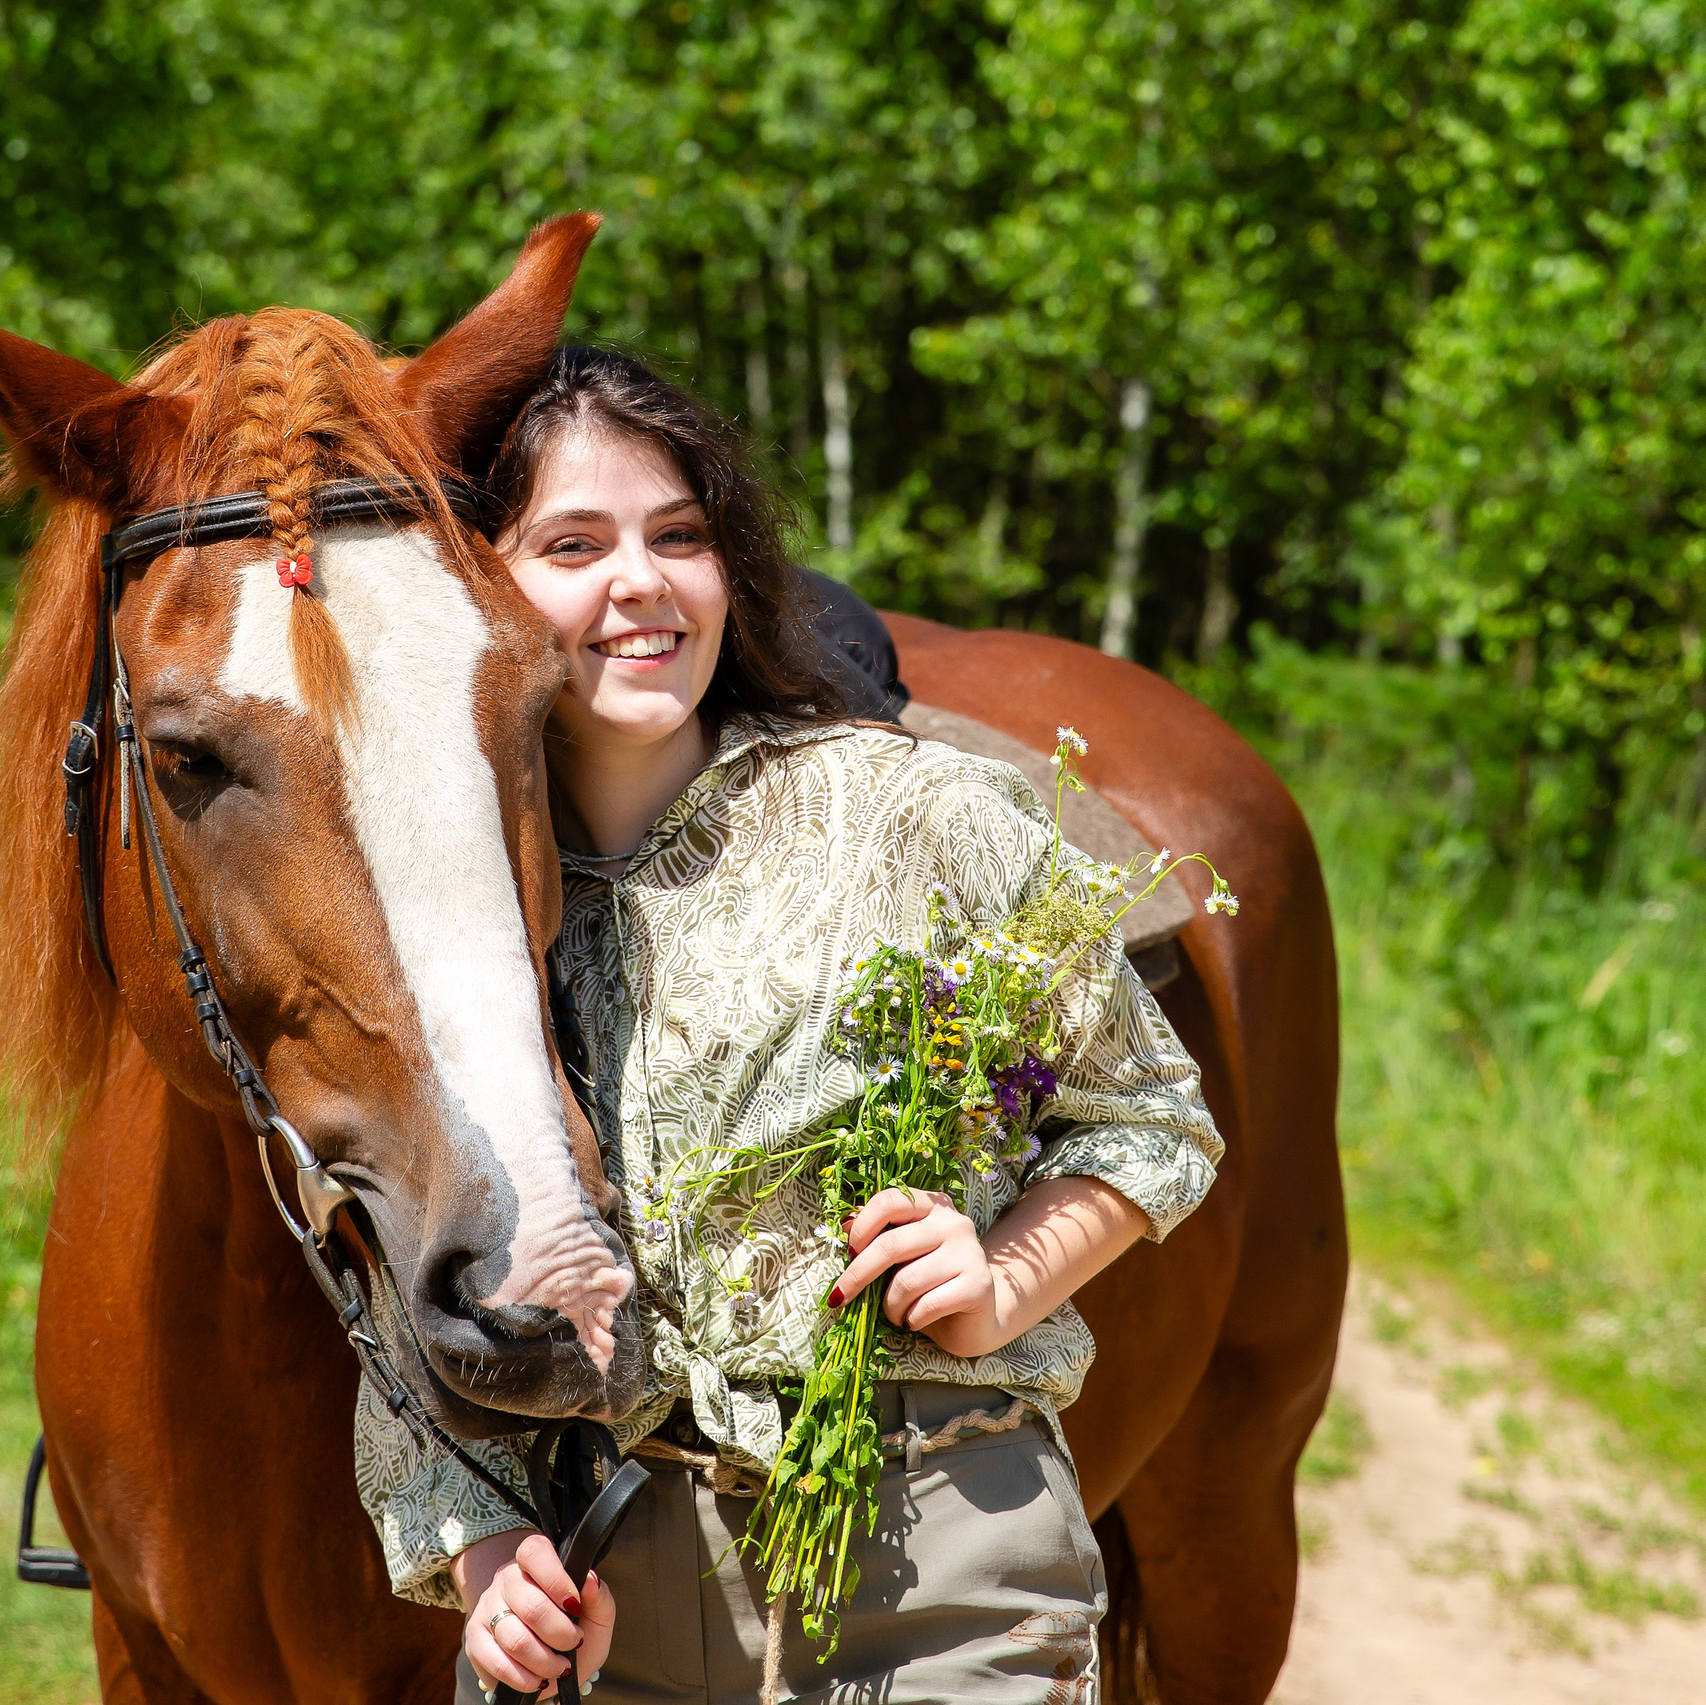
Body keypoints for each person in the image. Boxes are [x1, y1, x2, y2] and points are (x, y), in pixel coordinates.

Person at [349, 347, 1222, 1704]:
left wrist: (1001, 1275)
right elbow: (404, 1285)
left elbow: (1149, 1113)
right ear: (483, 589)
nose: (639, 580)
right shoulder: (447, 925)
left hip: (936, 1580)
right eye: (574, 543)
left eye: (678, 534)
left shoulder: (914, 814)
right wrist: (478, 1547)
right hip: (594, 1607)